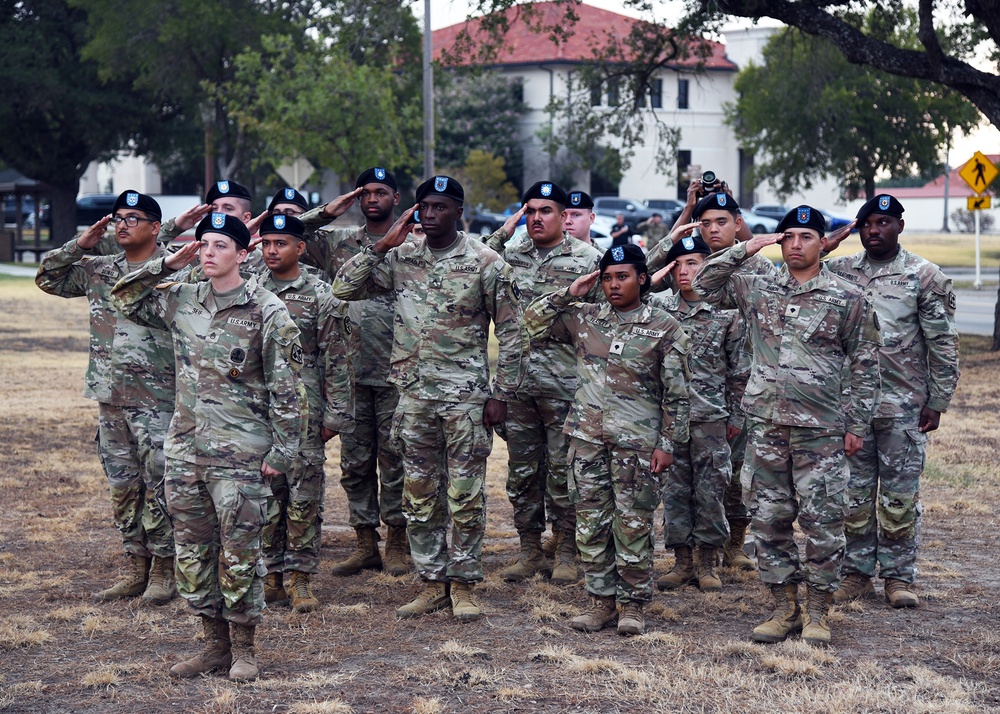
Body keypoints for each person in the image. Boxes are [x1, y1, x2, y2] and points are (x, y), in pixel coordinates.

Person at [112, 213, 304, 680]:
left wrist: (282, 452)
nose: (209, 252)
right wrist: (169, 262)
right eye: (204, 245)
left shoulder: (267, 310)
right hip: (185, 450)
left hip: (241, 453)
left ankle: (244, 649)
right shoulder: (182, 298)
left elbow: (287, 388)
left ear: (244, 254)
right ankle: (213, 646)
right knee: (193, 552)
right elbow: (124, 298)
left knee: (239, 552)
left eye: (221, 245)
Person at [332, 175, 528, 622]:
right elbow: (343, 288)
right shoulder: (401, 258)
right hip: (415, 398)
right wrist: (382, 245)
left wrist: (502, 393)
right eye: (424, 206)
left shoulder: (486, 262)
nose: (431, 214)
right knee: (419, 494)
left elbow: (514, 333)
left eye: (441, 207)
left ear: (460, 211)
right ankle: (431, 583)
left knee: (465, 496)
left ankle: (463, 585)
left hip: (465, 401)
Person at [692, 205, 882, 647]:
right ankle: (784, 606)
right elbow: (703, 284)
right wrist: (745, 246)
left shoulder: (847, 297)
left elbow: (866, 364)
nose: (796, 244)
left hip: (821, 429)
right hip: (767, 426)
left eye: (806, 237)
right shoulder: (757, 287)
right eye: (789, 236)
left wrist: (857, 423)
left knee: (822, 521)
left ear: (822, 243)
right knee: (769, 519)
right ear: (780, 241)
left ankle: (818, 611)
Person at [524, 244, 690, 636]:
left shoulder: (664, 326)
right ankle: (600, 603)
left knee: (632, 524)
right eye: (608, 277)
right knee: (591, 524)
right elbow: (529, 324)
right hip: (587, 441)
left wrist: (667, 443)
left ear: (642, 279)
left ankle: (632, 606)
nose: (614, 284)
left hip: (637, 444)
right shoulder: (585, 318)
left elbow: (678, 393)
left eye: (623, 276)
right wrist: (568, 293)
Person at [36, 191, 177, 604]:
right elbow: (48, 277)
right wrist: (80, 244)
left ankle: (165, 572)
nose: (122, 224)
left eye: (133, 218)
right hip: (110, 396)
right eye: (117, 217)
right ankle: (136, 566)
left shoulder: (175, 267)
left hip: (159, 397)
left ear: (155, 226)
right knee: (123, 486)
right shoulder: (100, 269)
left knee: (161, 485)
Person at [823, 194, 959, 609]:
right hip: (851, 409)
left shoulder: (923, 275)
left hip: (904, 406)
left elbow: (942, 342)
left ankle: (899, 577)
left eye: (883, 223)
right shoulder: (840, 270)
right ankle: (856, 573)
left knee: (899, 498)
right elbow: (793, 275)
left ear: (900, 225)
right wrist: (827, 243)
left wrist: (937, 400)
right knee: (853, 497)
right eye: (866, 225)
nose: (874, 231)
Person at [647, 192, 780, 570]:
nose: (713, 229)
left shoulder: (753, 270)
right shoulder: (670, 296)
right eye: (706, 223)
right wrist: (686, 216)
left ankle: (732, 546)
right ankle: (687, 559)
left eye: (722, 221)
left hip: (739, 395)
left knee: (730, 479)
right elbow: (637, 281)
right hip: (687, 407)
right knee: (685, 485)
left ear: (737, 222)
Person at [483, 181, 602, 585]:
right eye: (529, 210)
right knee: (521, 473)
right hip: (517, 383)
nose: (536, 218)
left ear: (564, 216)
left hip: (567, 384)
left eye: (545, 211)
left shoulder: (588, 259)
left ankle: (566, 549)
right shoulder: (509, 257)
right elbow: (465, 261)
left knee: (563, 472)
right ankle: (530, 549)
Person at [297, 167, 410, 576]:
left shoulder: (412, 246)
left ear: (396, 198)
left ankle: (398, 540)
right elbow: (291, 234)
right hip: (349, 373)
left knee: (396, 459)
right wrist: (327, 211)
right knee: (355, 464)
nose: (372, 199)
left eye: (381, 192)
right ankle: (366, 543)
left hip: (398, 372)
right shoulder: (338, 243)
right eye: (365, 193)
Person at [257, 214, 356, 612]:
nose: (271, 251)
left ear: (300, 248)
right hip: (259, 412)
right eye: (265, 243)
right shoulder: (249, 290)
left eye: (280, 243)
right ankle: (271, 577)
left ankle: (300, 578)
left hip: (304, 412)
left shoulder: (321, 294)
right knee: (266, 498)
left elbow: (338, 358)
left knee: (304, 498)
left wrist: (334, 415)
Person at [647, 234, 746, 593]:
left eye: (694, 262)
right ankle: (681, 561)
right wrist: (660, 270)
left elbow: (739, 372)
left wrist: (736, 418)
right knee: (674, 491)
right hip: (669, 422)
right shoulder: (658, 311)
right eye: (679, 264)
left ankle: (708, 562)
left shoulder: (726, 316)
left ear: (710, 266)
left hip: (710, 419)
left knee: (710, 491)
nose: (685, 270)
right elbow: (632, 285)